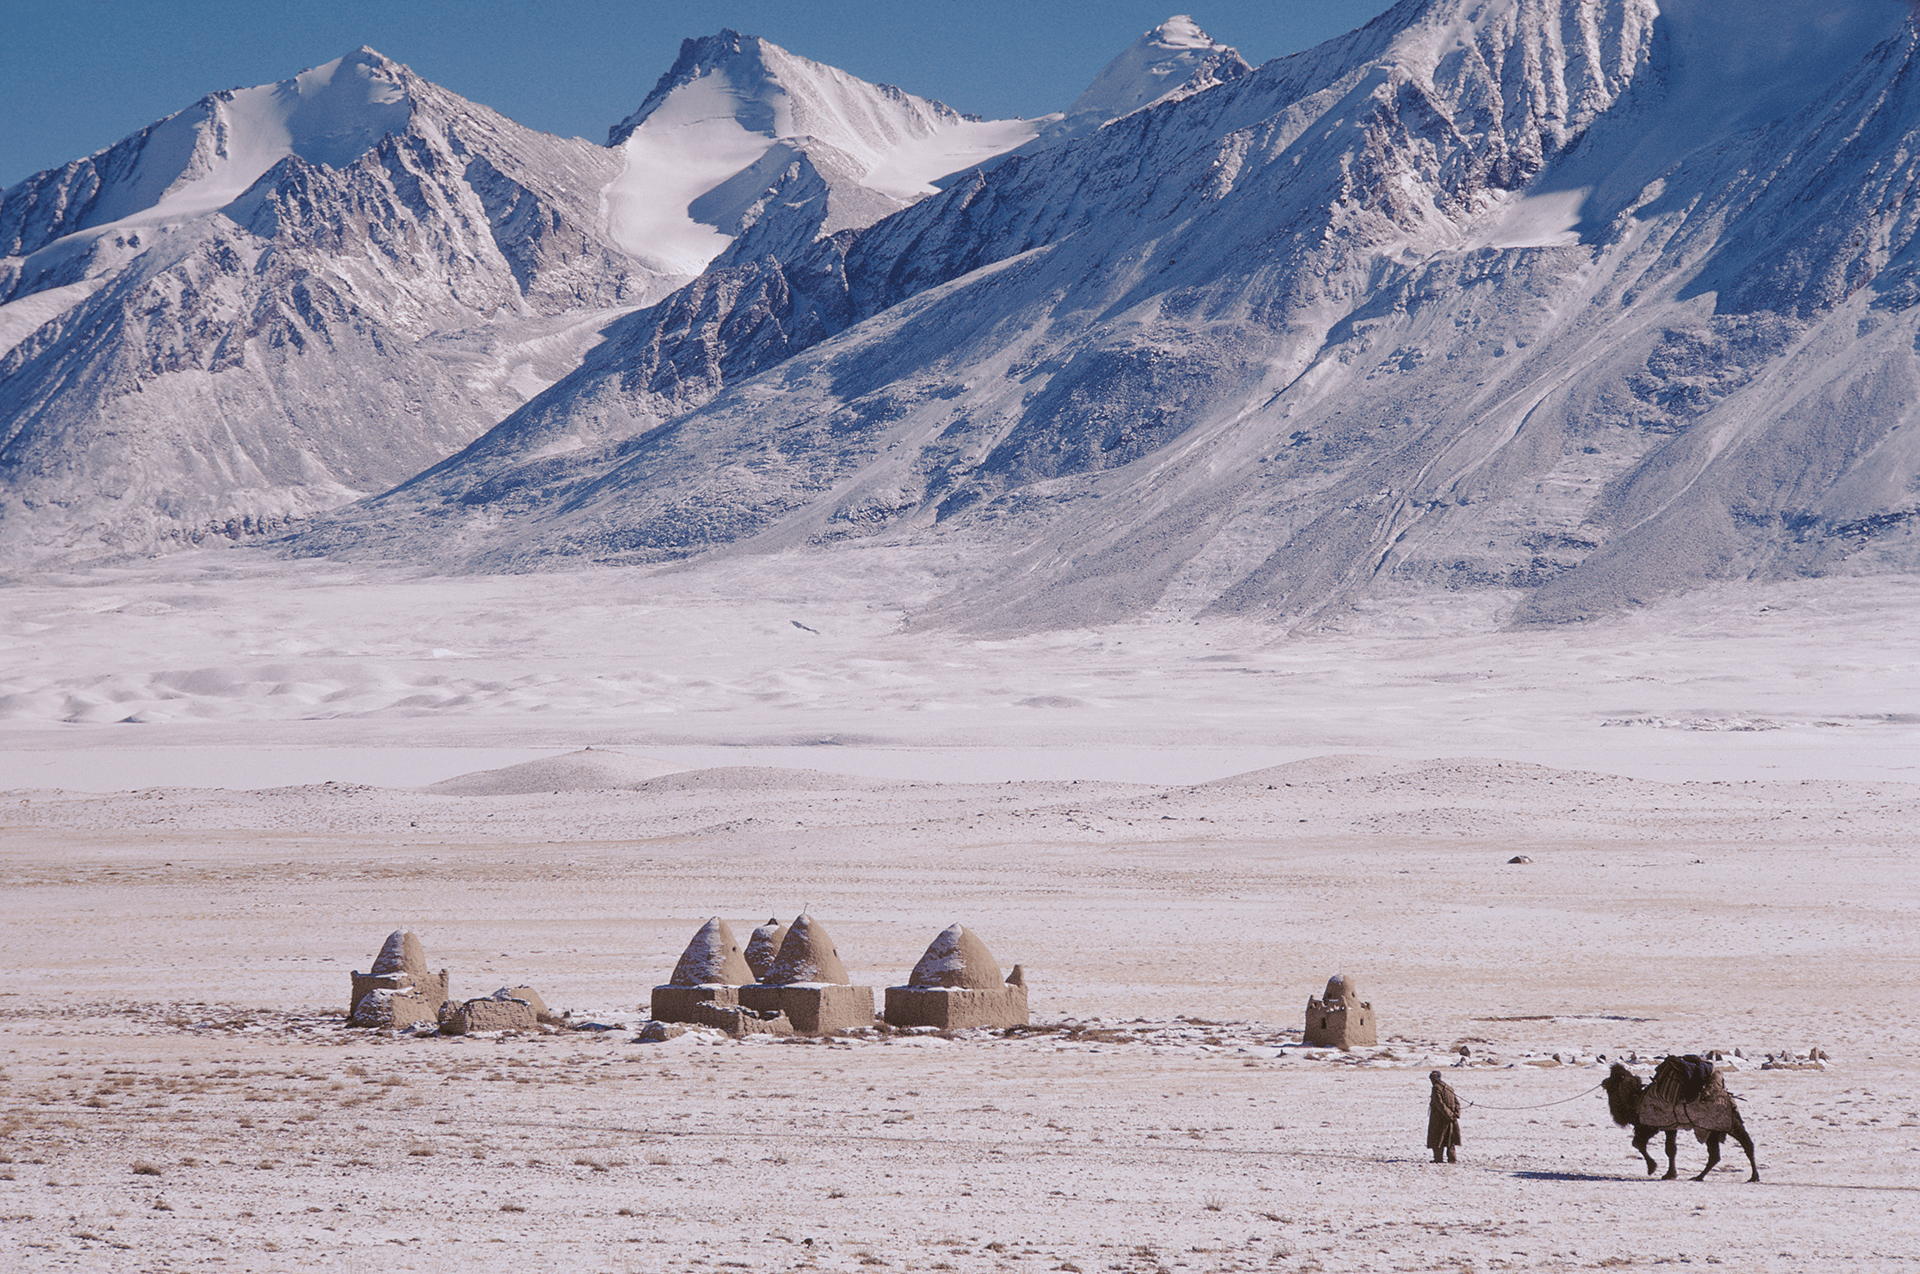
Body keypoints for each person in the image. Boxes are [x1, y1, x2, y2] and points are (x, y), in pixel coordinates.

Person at [1428, 1070, 1461, 1163]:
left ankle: (1438, 1159)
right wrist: (1455, 1114)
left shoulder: (1436, 1088)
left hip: (1440, 1118)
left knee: (1438, 1138)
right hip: (1451, 1118)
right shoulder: (1449, 1088)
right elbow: (1457, 1102)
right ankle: (1452, 1158)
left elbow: (1439, 1103)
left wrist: (1449, 1114)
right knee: (1450, 1139)